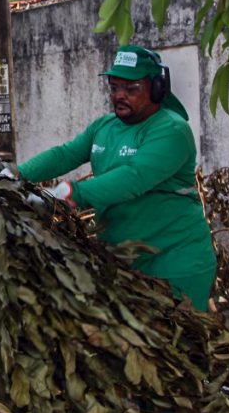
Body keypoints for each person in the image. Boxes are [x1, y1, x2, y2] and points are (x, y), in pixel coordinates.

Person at [19, 45, 217, 311]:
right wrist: (15, 175)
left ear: (157, 88)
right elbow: (65, 155)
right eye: (114, 88)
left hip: (175, 261)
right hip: (123, 259)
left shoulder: (171, 130)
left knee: (180, 344)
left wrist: (72, 193)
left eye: (131, 88)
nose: (119, 96)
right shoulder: (104, 127)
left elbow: (134, 176)